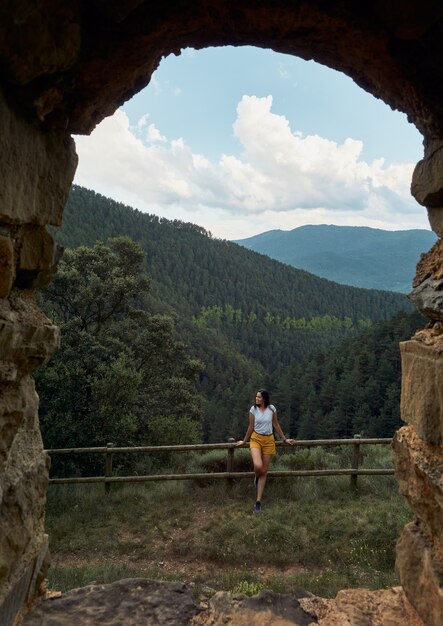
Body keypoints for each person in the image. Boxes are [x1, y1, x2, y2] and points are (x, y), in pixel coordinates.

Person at [236, 389, 295, 513]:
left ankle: (258, 502)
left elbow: (276, 424)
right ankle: (256, 478)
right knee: (258, 466)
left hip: (269, 440)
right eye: (256, 397)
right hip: (256, 439)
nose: (256, 399)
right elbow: (250, 427)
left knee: (264, 471)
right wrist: (244, 441)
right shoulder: (253, 410)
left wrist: (284, 439)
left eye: (259, 397)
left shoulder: (272, 409)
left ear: (264, 398)